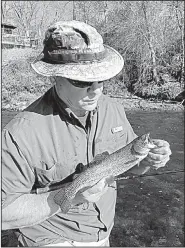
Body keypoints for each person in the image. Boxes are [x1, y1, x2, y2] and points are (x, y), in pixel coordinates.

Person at [2, 20, 172, 247]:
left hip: (103, 233)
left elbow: (127, 166)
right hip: (50, 238)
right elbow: (4, 214)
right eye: (82, 81)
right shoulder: (20, 133)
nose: (96, 89)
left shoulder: (113, 109)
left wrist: (150, 161)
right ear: (56, 76)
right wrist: (72, 195)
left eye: (101, 78)